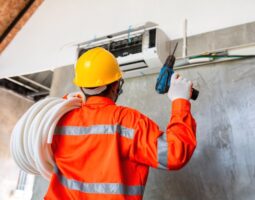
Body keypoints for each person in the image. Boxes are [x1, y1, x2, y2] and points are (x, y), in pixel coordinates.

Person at [44, 47, 197, 199]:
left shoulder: (57, 118)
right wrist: (180, 101)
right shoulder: (129, 121)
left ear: (81, 86)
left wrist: (67, 100)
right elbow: (174, 153)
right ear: (116, 85)